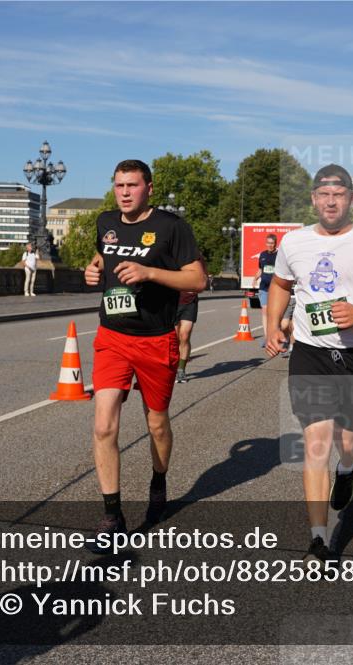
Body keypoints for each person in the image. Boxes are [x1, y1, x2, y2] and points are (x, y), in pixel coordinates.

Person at [264, 164, 353, 562]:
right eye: (324, 195)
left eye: (338, 194)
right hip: (310, 351)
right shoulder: (294, 242)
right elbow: (280, 285)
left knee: (346, 439)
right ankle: (320, 540)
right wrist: (274, 325)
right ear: (313, 198)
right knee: (316, 442)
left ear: (351, 200)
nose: (330, 201)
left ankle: (347, 469)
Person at [82, 159, 206, 550]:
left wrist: (150, 273)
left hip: (156, 338)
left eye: (131, 185)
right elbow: (105, 257)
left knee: (157, 425)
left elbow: (198, 278)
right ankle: (112, 515)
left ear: (148, 188)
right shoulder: (105, 222)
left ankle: (158, 480)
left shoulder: (171, 227)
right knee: (104, 425)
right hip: (113, 336)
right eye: (118, 185)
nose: (123, 192)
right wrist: (93, 267)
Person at [175, 254, 208, 383]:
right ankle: (174, 366)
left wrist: (200, 284)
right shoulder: (173, 256)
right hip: (174, 302)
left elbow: (204, 278)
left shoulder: (199, 258)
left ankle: (181, 370)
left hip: (190, 302)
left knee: (185, 335)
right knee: (175, 338)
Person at [254, 234, 279, 347]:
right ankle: (267, 337)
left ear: (275, 244)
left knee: (275, 313)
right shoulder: (263, 255)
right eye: (268, 243)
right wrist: (255, 278)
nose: (270, 245)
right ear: (266, 243)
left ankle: (277, 335)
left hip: (276, 288)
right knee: (265, 310)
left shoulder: (279, 255)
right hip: (264, 287)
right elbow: (261, 269)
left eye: (272, 243)